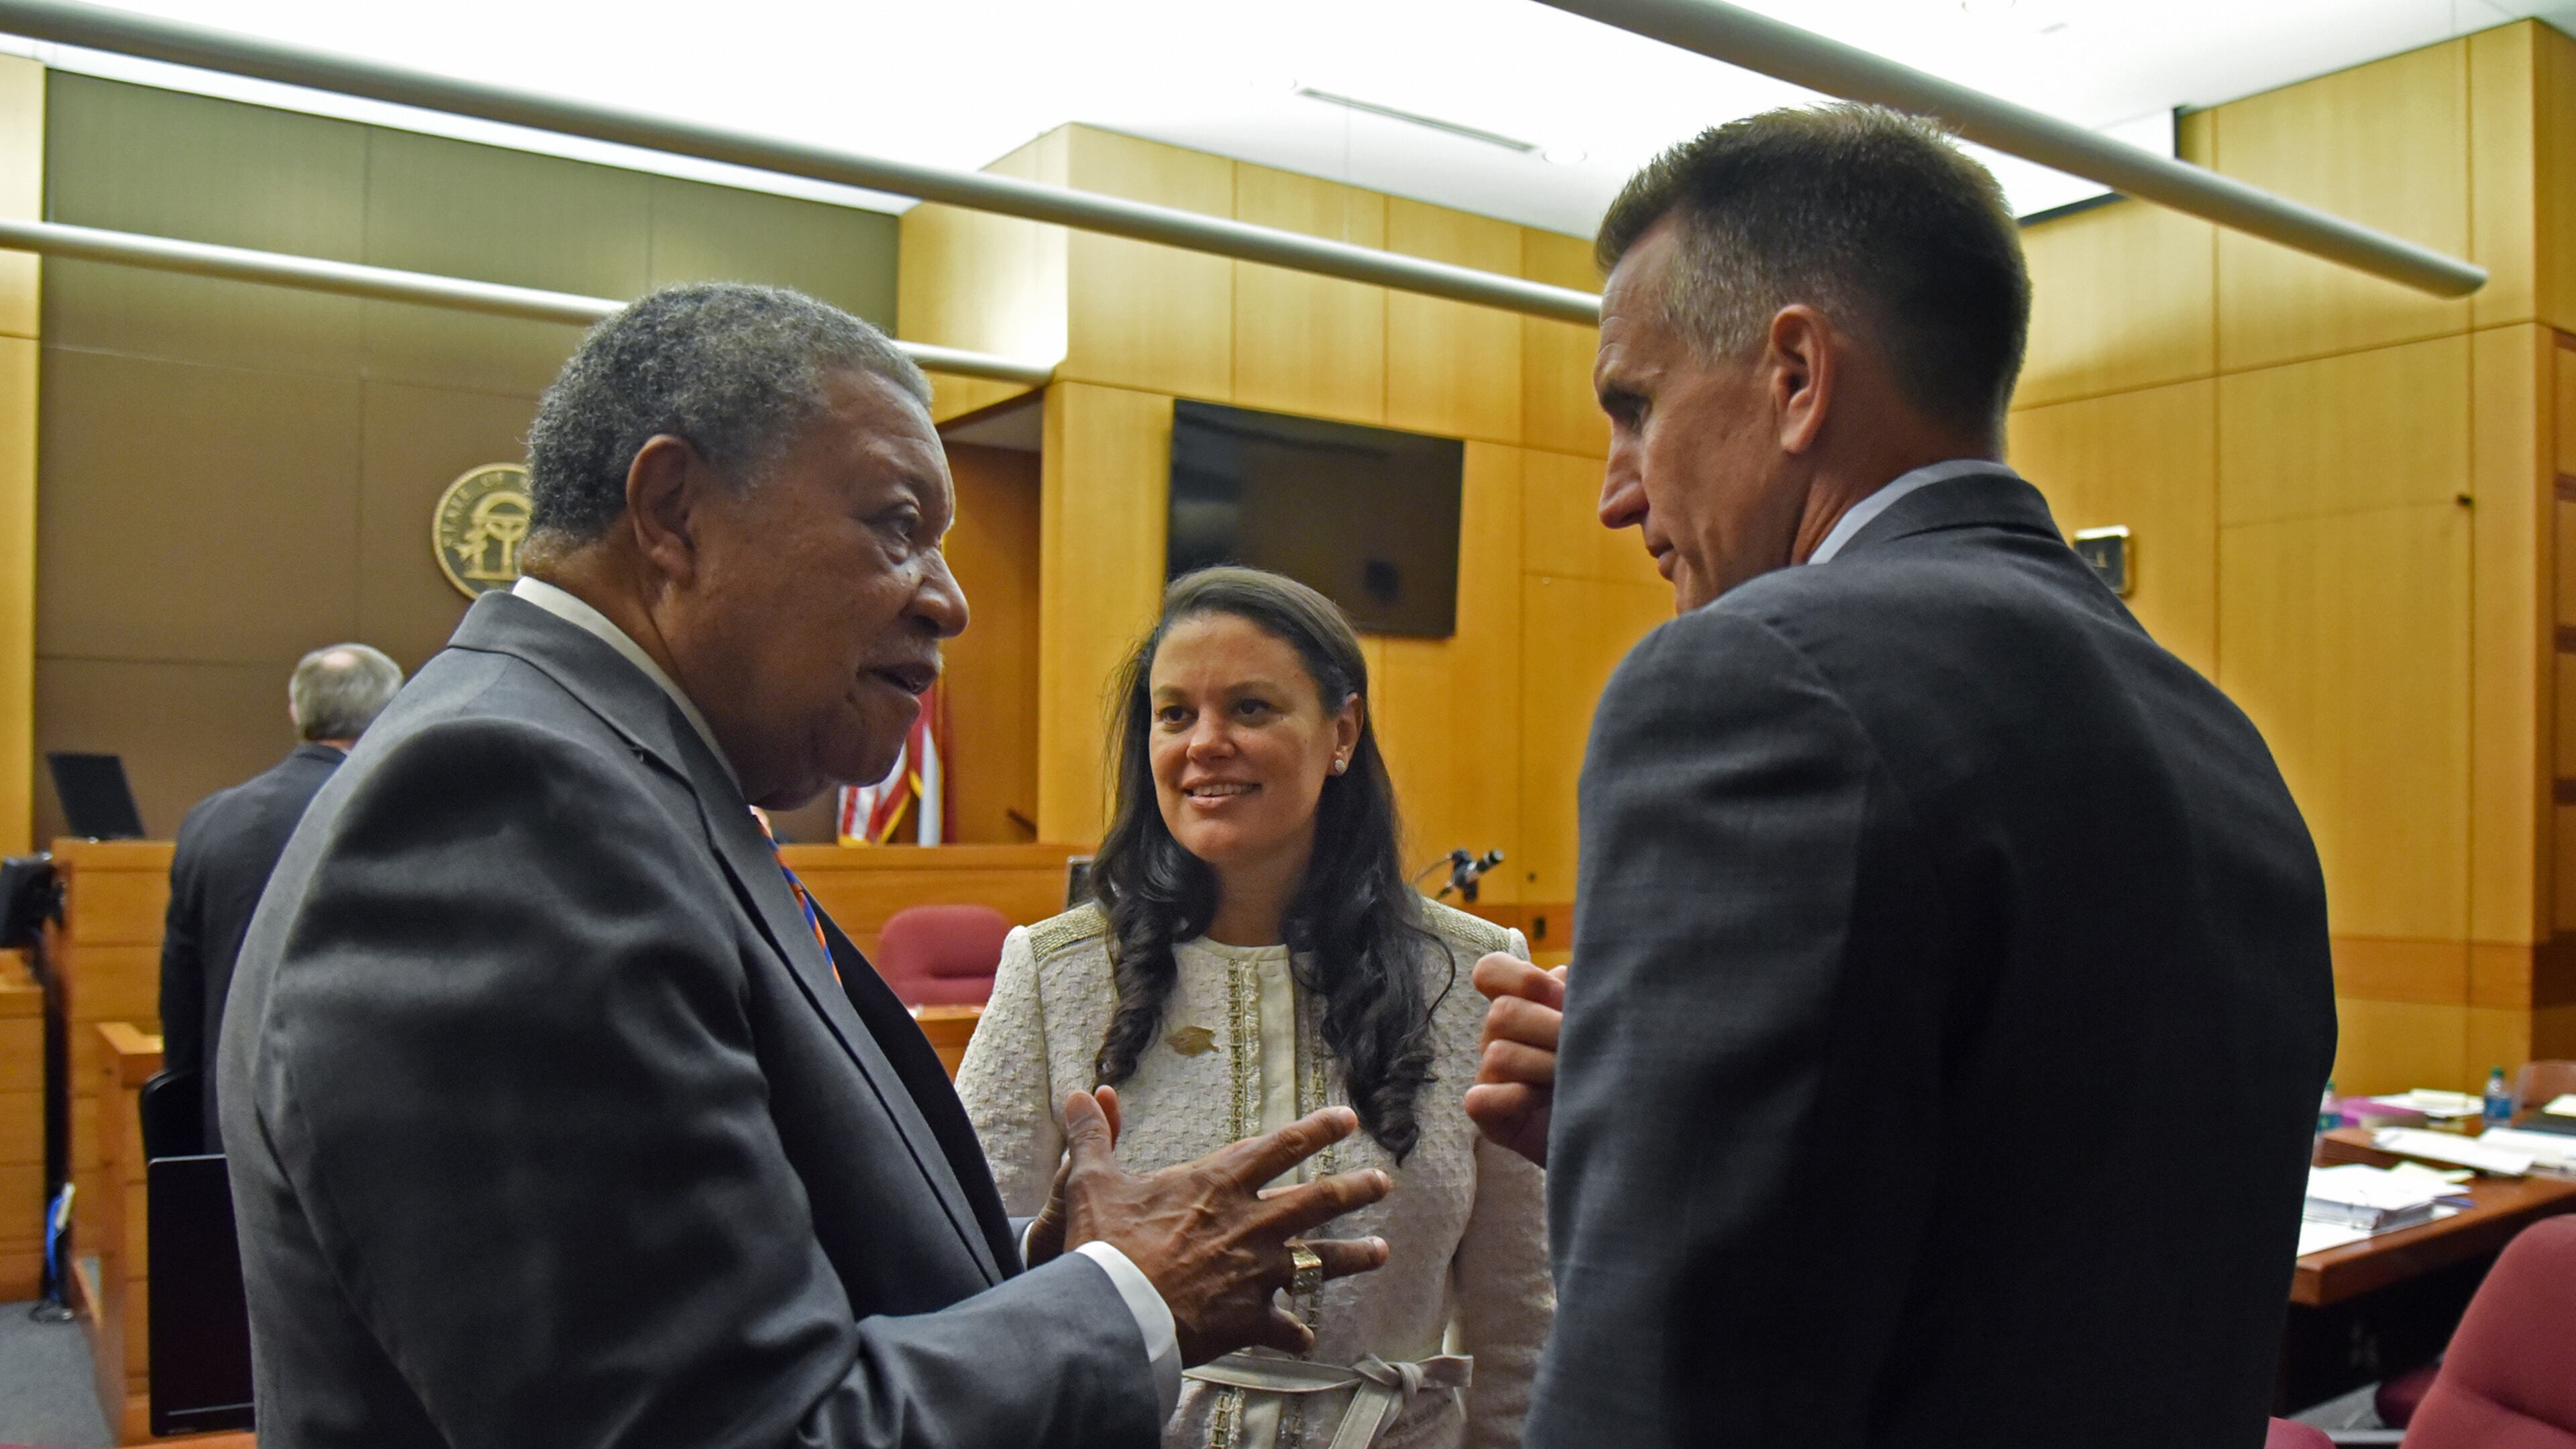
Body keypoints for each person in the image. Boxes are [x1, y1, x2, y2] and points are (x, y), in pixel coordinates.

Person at [218, 283, 1395, 1449]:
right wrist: (1127, 1296)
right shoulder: (502, 808)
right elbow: (734, 1429)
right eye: (897, 525)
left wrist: (1040, 1283)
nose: (951, 599)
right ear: (675, 512)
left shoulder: (627, 781)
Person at [1463, 107, 2337, 1448]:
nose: (1616, 494)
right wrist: (1641, 1128)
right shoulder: (2225, 745)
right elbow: (2031, 1233)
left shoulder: (1752, 682)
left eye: (1635, 407)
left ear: (1796, 376)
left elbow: (1669, 1393)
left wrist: (1653, 1187)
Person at [958, 568, 1550, 1449]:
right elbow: (970, 1280)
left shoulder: (1474, 973)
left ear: (1341, 730)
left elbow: (1522, 1325)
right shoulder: (1055, 973)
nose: (1205, 743)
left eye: (1250, 709)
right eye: (1174, 715)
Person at [158, 642, 402, 1148]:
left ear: (295, 711)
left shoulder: (208, 819)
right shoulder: (387, 814)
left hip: (222, 1126)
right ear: (391, 713)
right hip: (349, 1137)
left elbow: (181, 995)